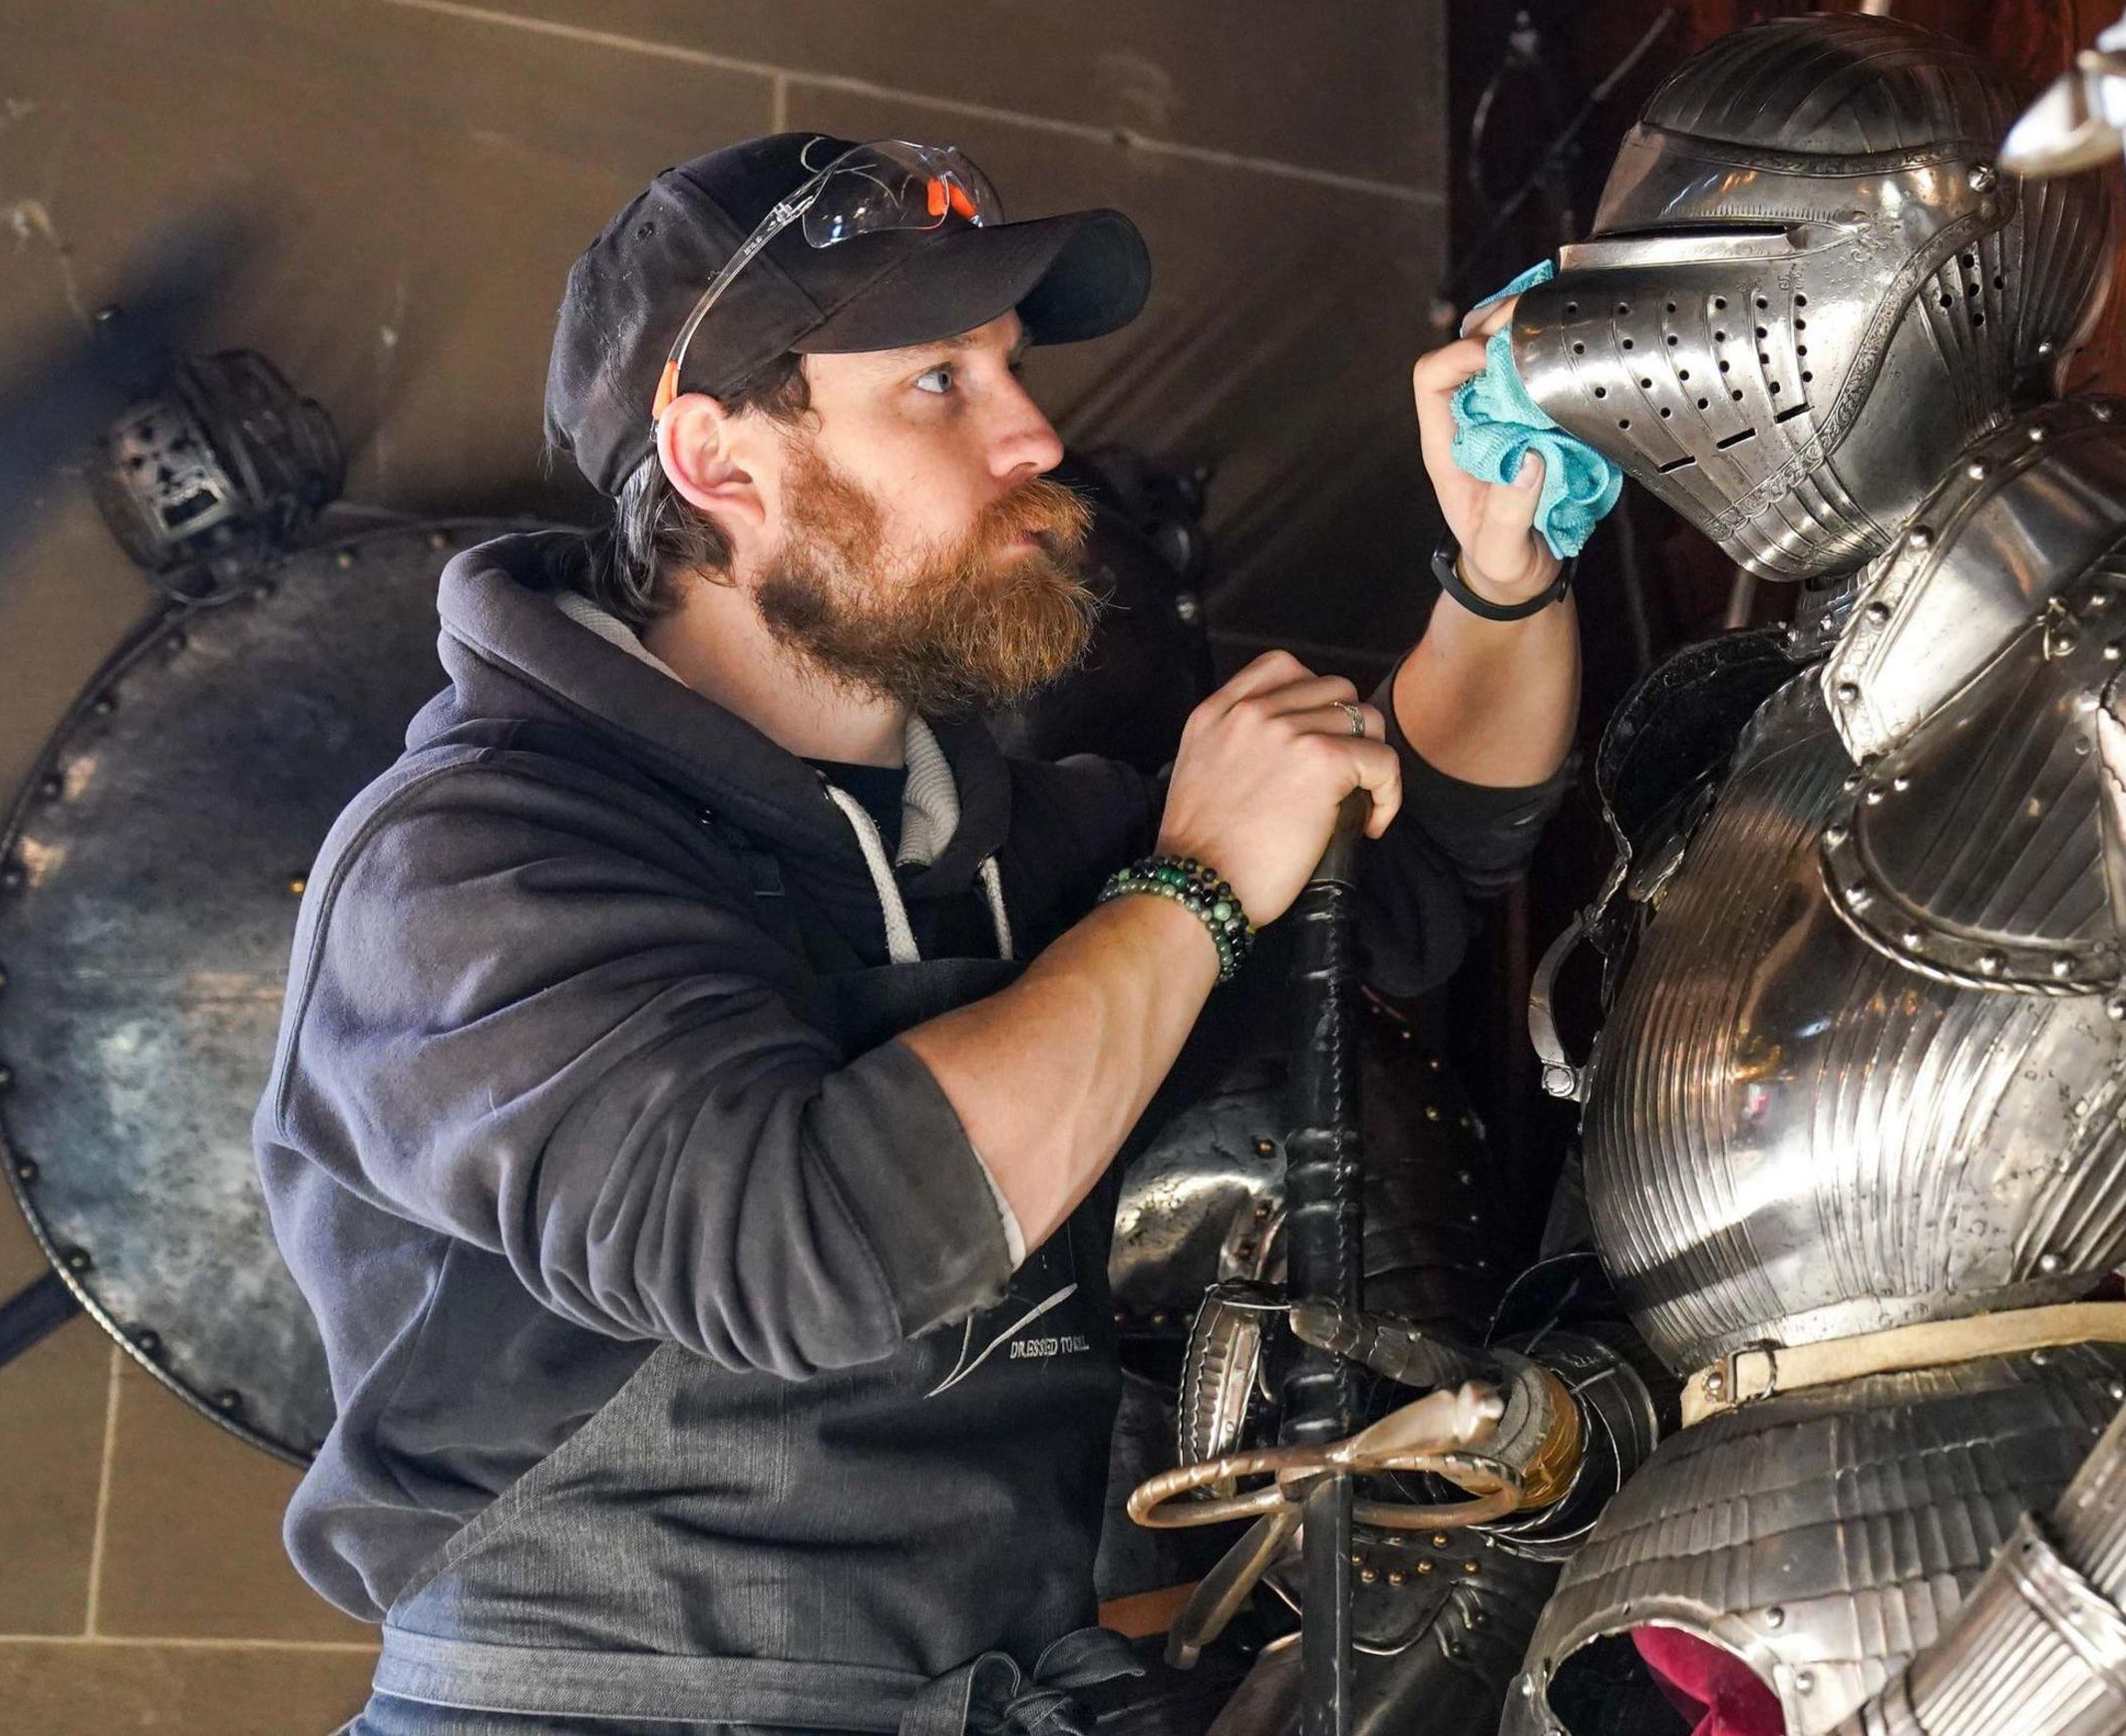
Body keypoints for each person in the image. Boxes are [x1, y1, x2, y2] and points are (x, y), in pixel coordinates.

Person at [254, 133, 1581, 1735]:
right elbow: (813, 1244)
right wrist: (1194, 888)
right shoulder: (473, 861)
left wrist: (1507, 558)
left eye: (1012, 370)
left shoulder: (999, 842)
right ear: (717, 462)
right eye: (939, 385)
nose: (1036, 437)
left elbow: (1405, 862)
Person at [1481, 14, 2126, 1736]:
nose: (1586, 350)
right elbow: (1697, 1323)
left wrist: (2013, 1692)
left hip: (2108, 1637)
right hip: (1663, 1630)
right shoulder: (1749, 744)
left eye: (1669, 275)